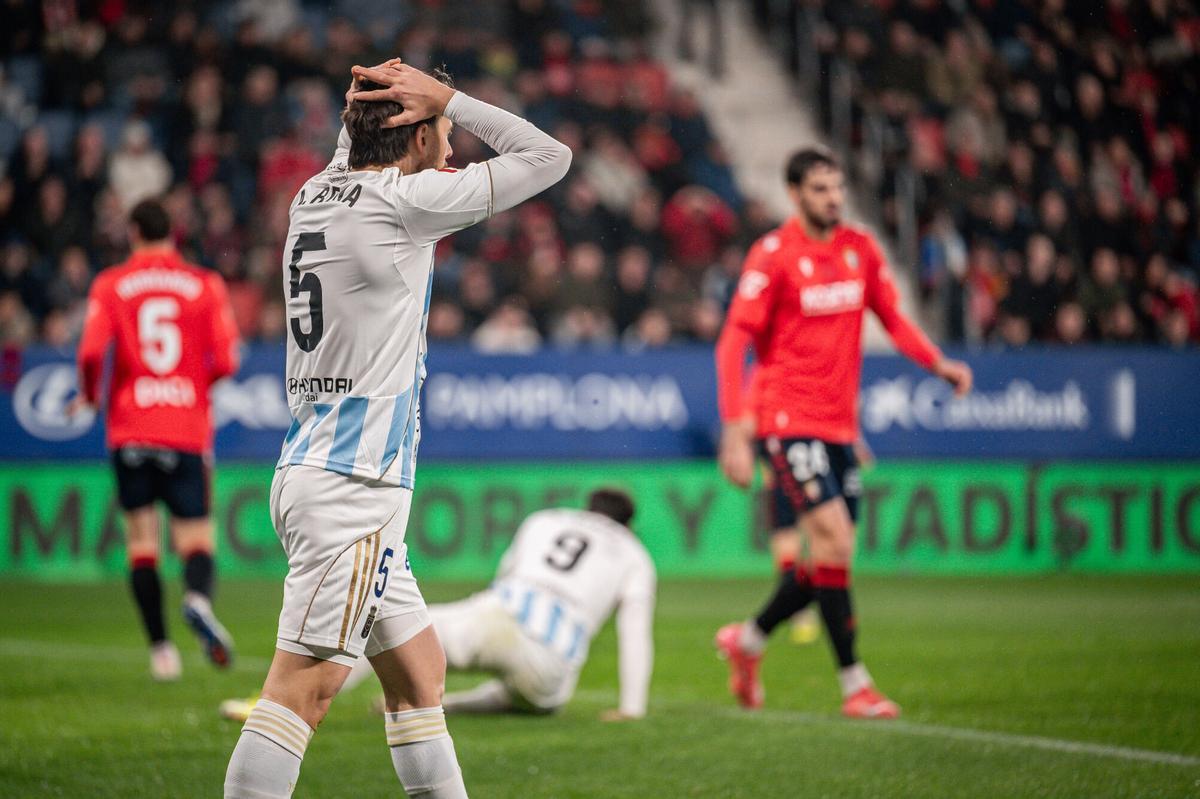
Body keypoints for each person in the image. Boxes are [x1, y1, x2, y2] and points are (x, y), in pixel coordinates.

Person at [222, 59, 570, 799]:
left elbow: (361, 146)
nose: (451, 147)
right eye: (441, 132)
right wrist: (454, 96)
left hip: (323, 472)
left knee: (421, 677)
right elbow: (550, 157)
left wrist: (381, 99)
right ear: (413, 138)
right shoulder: (406, 202)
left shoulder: (316, 193)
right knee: (302, 693)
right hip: (353, 486)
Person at [713, 147, 972, 718]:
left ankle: (749, 641)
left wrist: (939, 363)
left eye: (837, 188)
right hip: (786, 419)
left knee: (834, 554)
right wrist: (736, 430)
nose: (834, 199)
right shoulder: (774, 255)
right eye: (821, 189)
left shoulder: (860, 249)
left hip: (839, 424)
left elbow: (893, 317)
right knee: (833, 540)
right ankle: (856, 685)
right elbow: (733, 342)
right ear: (795, 194)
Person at [220, 488, 655, 723]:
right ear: (627, 523)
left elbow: (505, 576)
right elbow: (635, 635)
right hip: (549, 661)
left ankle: (276, 707)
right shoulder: (634, 554)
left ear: (589, 508)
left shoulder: (547, 519)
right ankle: (454, 704)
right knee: (542, 701)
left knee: (381, 632)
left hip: (496, 616)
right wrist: (631, 708)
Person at [75, 198, 241, 681]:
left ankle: (162, 653)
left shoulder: (111, 284)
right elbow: (228, 361)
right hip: (185, 429)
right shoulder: (204, 284)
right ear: (175, 233)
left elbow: (89, 354)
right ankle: (197, 599)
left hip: (130, 427)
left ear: (133, 233)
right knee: (195, 539)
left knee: (142, 542)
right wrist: (191, 392)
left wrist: (91, 397)